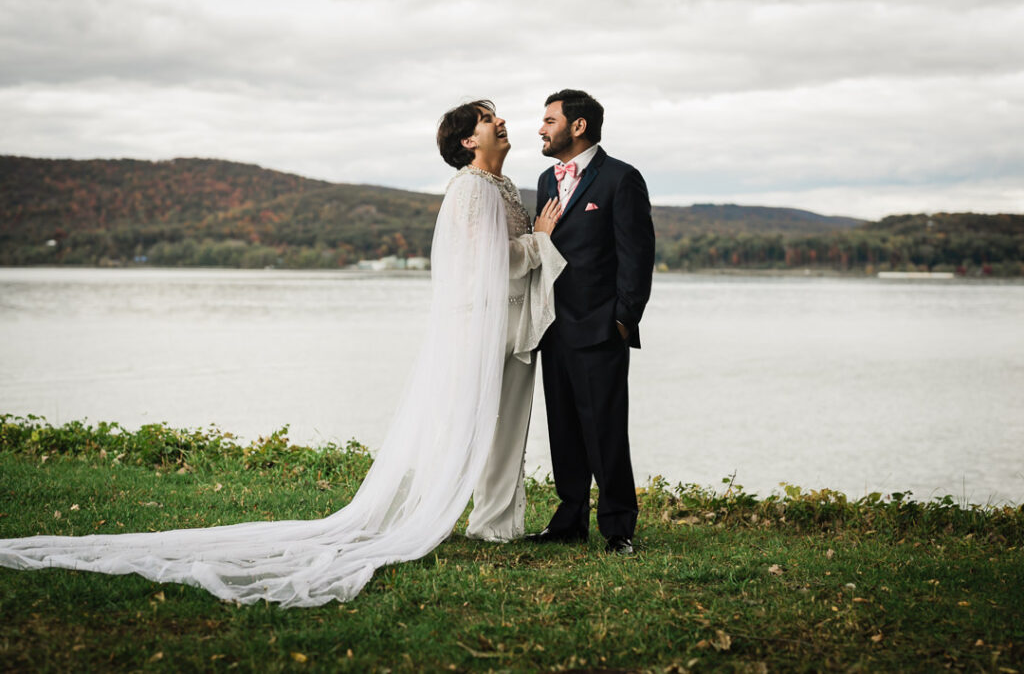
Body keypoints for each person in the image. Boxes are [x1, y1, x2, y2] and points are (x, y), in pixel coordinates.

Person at [0, 101, 565, 607]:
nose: (502, 122)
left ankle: (496, 524)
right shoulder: (470, 189)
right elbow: (485, 262)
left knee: (504, 423)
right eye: (490, 119)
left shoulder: (502, 185)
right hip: (483, 325)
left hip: (510, 321)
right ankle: (460, 518)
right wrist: (540, 238)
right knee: (478, 420)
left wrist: (533, 239)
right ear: (469, 140)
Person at [526, 89, 655, 555]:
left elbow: (637, 256)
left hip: (601, 328)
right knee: (562, 427)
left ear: (577, 126)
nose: (541, 128)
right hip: (553, 327)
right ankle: (569, 518)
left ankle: (618, 526)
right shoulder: (544, 179)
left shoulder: (621, 179)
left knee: (605, 428)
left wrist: (623, 320)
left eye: (549, 120)